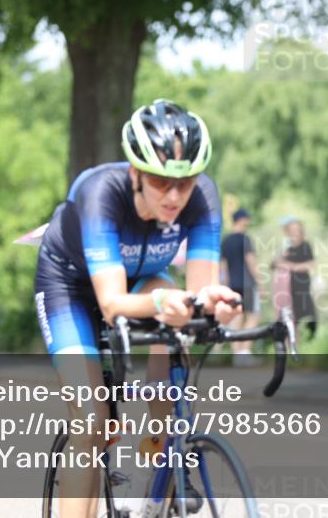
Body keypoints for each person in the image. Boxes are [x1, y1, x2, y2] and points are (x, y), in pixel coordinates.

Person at [33, 99, 240, 518]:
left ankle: (161, 458)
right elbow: (112, 305)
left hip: (142, 280)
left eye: (186, 182)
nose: (176, 195)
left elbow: (199, 294)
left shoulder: (202, 197)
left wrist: (214, 305)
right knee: (90, 421)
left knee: (181, 320)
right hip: (70, 286)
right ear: (136, 174)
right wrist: (165, 302)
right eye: (162, 182)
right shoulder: (100, 192)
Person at [220, 208, 261, 366]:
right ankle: (244, 352)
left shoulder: (226, 240)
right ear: (243, 220)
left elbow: (223, 266)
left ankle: (237, 354)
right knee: (253, 316)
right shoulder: (245, 239)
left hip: (232, 285)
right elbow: (251, 261)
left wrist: (225, 285)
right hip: (248, 283)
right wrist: (260, 283)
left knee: (236, 317)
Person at [272, 216, 317, 338]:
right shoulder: (287, 248)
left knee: (306, 316)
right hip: (286, 288)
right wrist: (281, 257)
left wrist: (289, 266)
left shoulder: (305, 246)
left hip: (301, 285)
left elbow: (311, 264)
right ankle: (293, 346)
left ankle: (307, 342)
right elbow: (273, 264)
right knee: (290, 319)